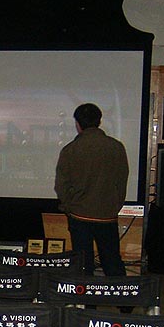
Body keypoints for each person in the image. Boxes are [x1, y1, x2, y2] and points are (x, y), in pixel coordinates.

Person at [54, 103, 128, 277]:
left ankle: (85, 294)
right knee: (112, 261)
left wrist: (69, 207)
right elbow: (121, 182)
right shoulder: (116, 147)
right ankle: (121, 293)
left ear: (78, 123)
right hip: (107, 215)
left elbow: (61, 186)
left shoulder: (70, 150)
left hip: (79, 215)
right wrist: (114, 206)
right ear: (99, 121)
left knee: (83, 264)